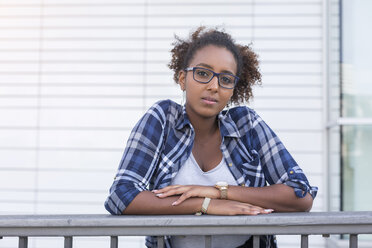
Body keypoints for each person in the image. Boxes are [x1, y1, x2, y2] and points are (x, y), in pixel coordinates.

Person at [104, 26, 318, 248]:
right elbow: (122, 196)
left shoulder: (247, 124)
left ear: (233, 89)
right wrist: (205, 204)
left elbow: (301, 196)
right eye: (203, 73)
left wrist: (219, 193)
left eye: (225, 79)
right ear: (182, 79)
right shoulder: (163, 119)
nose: (214, 86)